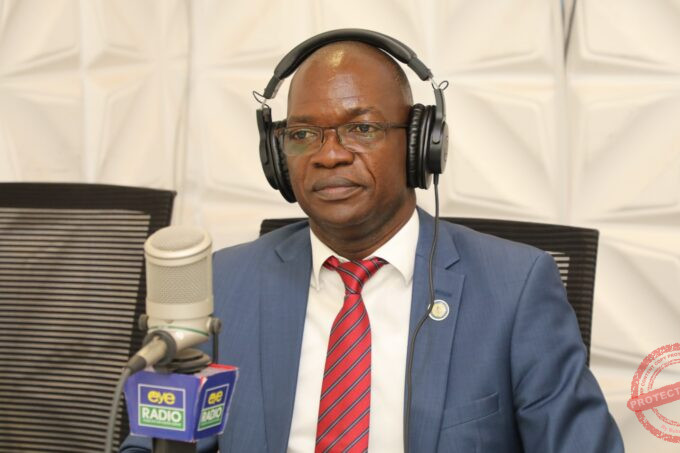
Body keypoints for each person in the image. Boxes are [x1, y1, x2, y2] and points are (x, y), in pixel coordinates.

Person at [122, 35, 623, 452]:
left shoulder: (515, 288)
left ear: (419, 146)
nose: (330, 155)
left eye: (361, 128)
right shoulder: (222, 283)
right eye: (303, 134)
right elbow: (156, 443)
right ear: (277, 157)